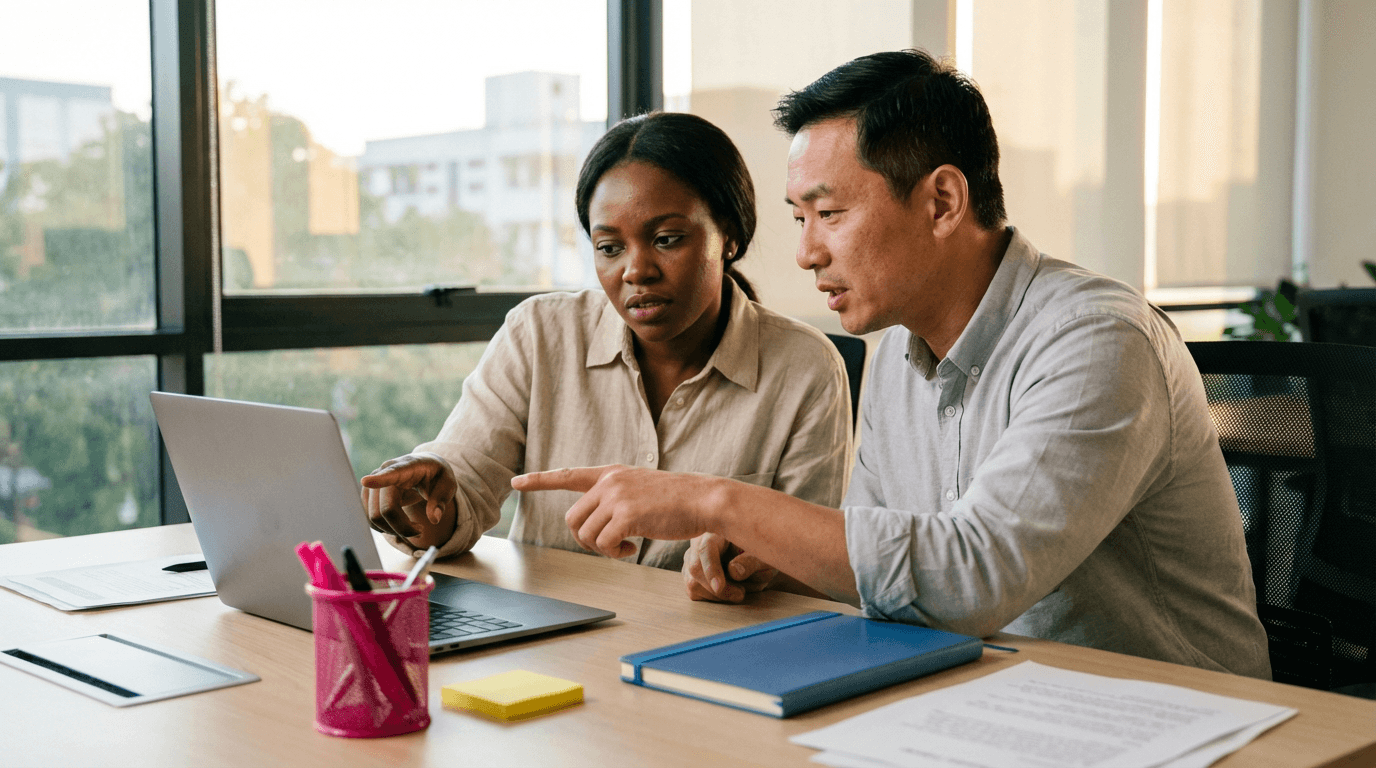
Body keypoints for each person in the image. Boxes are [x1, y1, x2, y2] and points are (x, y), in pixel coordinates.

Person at [513, 50, 1272, 677]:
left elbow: (970, 577)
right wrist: (780, 559)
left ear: (943, 201)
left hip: (1174, 718)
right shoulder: (895, 356)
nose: (807, 253)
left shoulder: (1098, 340)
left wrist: (715, 504)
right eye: (799, 219)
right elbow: (890, 549)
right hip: (986, 698)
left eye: (830, 213)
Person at [360, 112, 852, 581]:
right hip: (550, 640)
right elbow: (461, 485)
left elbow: (813, 566)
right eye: (609, 248)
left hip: (707, 647)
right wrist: (424, 505)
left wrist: (746, 567)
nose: (636, 271)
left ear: (728, 234)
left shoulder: (805, 369)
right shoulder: (539, 334)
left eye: (666, 238)